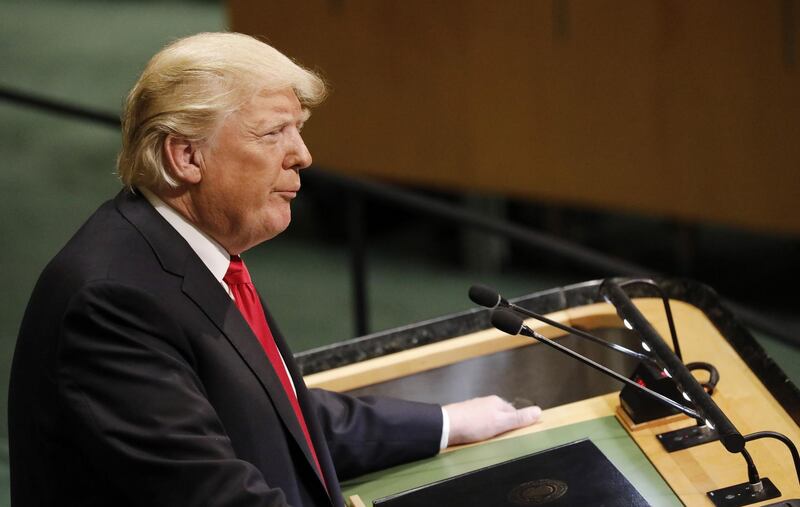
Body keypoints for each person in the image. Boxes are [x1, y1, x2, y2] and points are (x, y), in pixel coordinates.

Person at [8, 32, 541, 506]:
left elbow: (269, 411)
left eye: (299, 130)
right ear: (185, 157)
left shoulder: (187, 248)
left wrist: (445, 423)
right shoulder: (114, 302)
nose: (303, 155)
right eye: (273, 133)